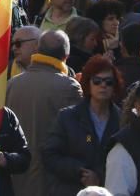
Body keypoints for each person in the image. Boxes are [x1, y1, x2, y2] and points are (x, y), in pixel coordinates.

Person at [5, 30, 83, 195]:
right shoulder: (69, 87)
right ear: (66, 56)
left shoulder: (12, 85)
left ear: (37, 50)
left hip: (15, 180)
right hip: (51, 182)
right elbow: (79, 137)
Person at [42, 55, 123, 195]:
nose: (103, 85)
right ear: (88, 83)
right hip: (71, 190)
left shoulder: (123, 121)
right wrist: (80, 171)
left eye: (108, 82)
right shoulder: (67, 117)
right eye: (97, 81)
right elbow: (50, 155)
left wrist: (99, 177)